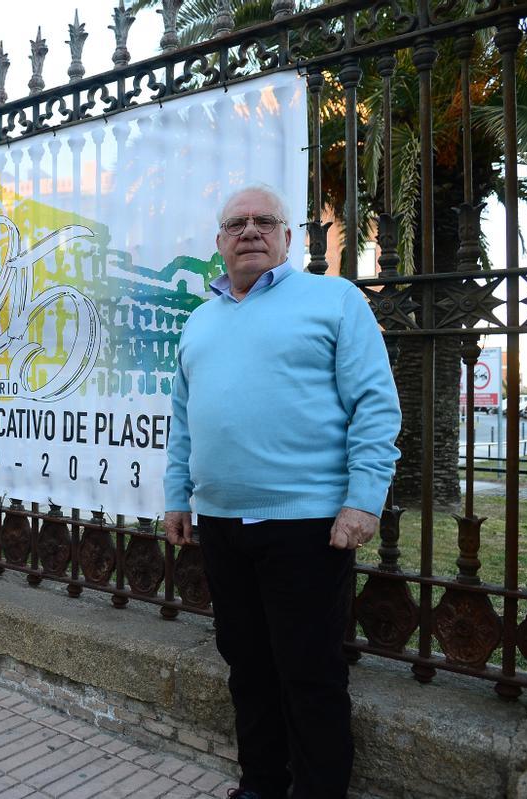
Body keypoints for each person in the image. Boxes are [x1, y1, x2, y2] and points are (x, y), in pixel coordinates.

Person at [163, 185, 401, 799]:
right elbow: (184, 417)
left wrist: (363, 499)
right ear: (219, 242)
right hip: (220, 524)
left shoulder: (335, 300)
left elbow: (375, 405)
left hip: (308, 525)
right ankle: (262, 785)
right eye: (236, 223)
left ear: (288, 237)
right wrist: (176, 496)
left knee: (310, 673)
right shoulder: (199, 320)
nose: (250, 231)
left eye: (264, 221)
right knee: (247, 666)